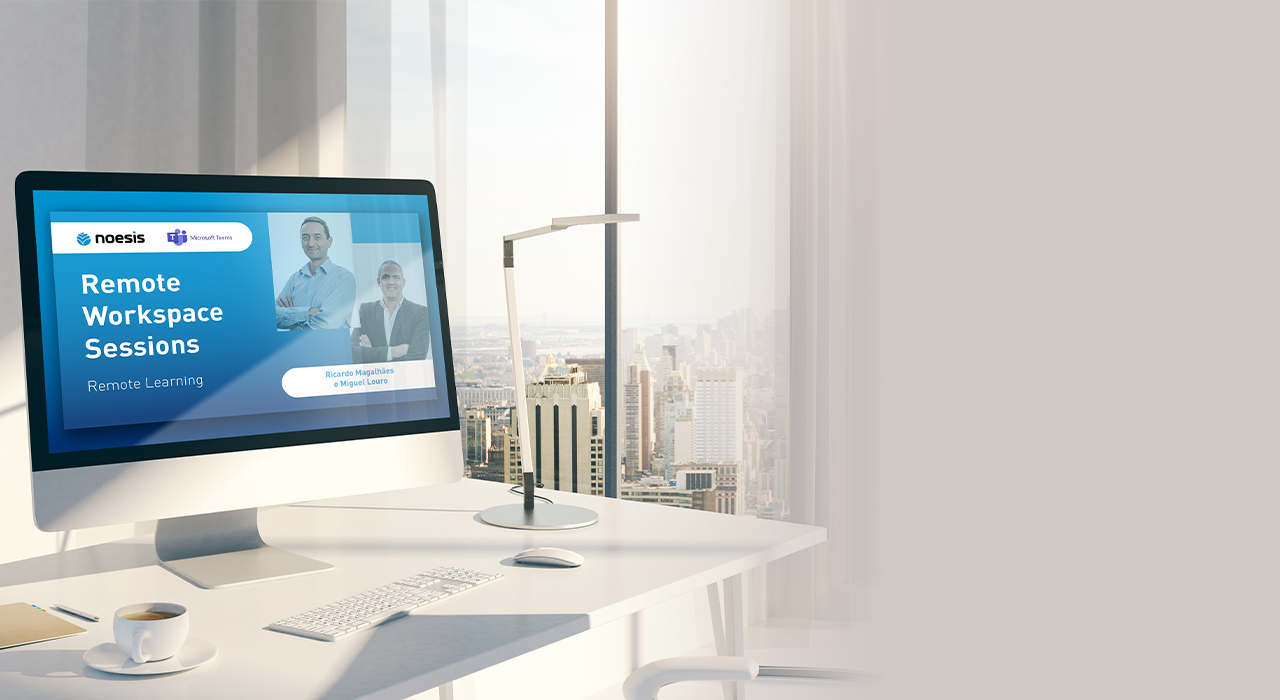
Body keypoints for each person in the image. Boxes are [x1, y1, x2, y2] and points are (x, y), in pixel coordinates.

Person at [275, 216, 356, 330]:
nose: (311, 243)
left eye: (317, 237)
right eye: (305, 237)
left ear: (329, 241)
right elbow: (273, 317)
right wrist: (310, 312)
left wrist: (292, 318)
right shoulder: (294, 279)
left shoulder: (344, 278)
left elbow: (326, 325)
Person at [350, 260, 431, 363]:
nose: (391, 282)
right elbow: (353, 352)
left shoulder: (420, 313)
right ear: (378, 282)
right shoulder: (365, 311)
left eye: (396, 277)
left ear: (403, 282)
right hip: (374, 378)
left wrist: (371, 355)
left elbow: (417, 356)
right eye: (385, 277)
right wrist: (392, 352)